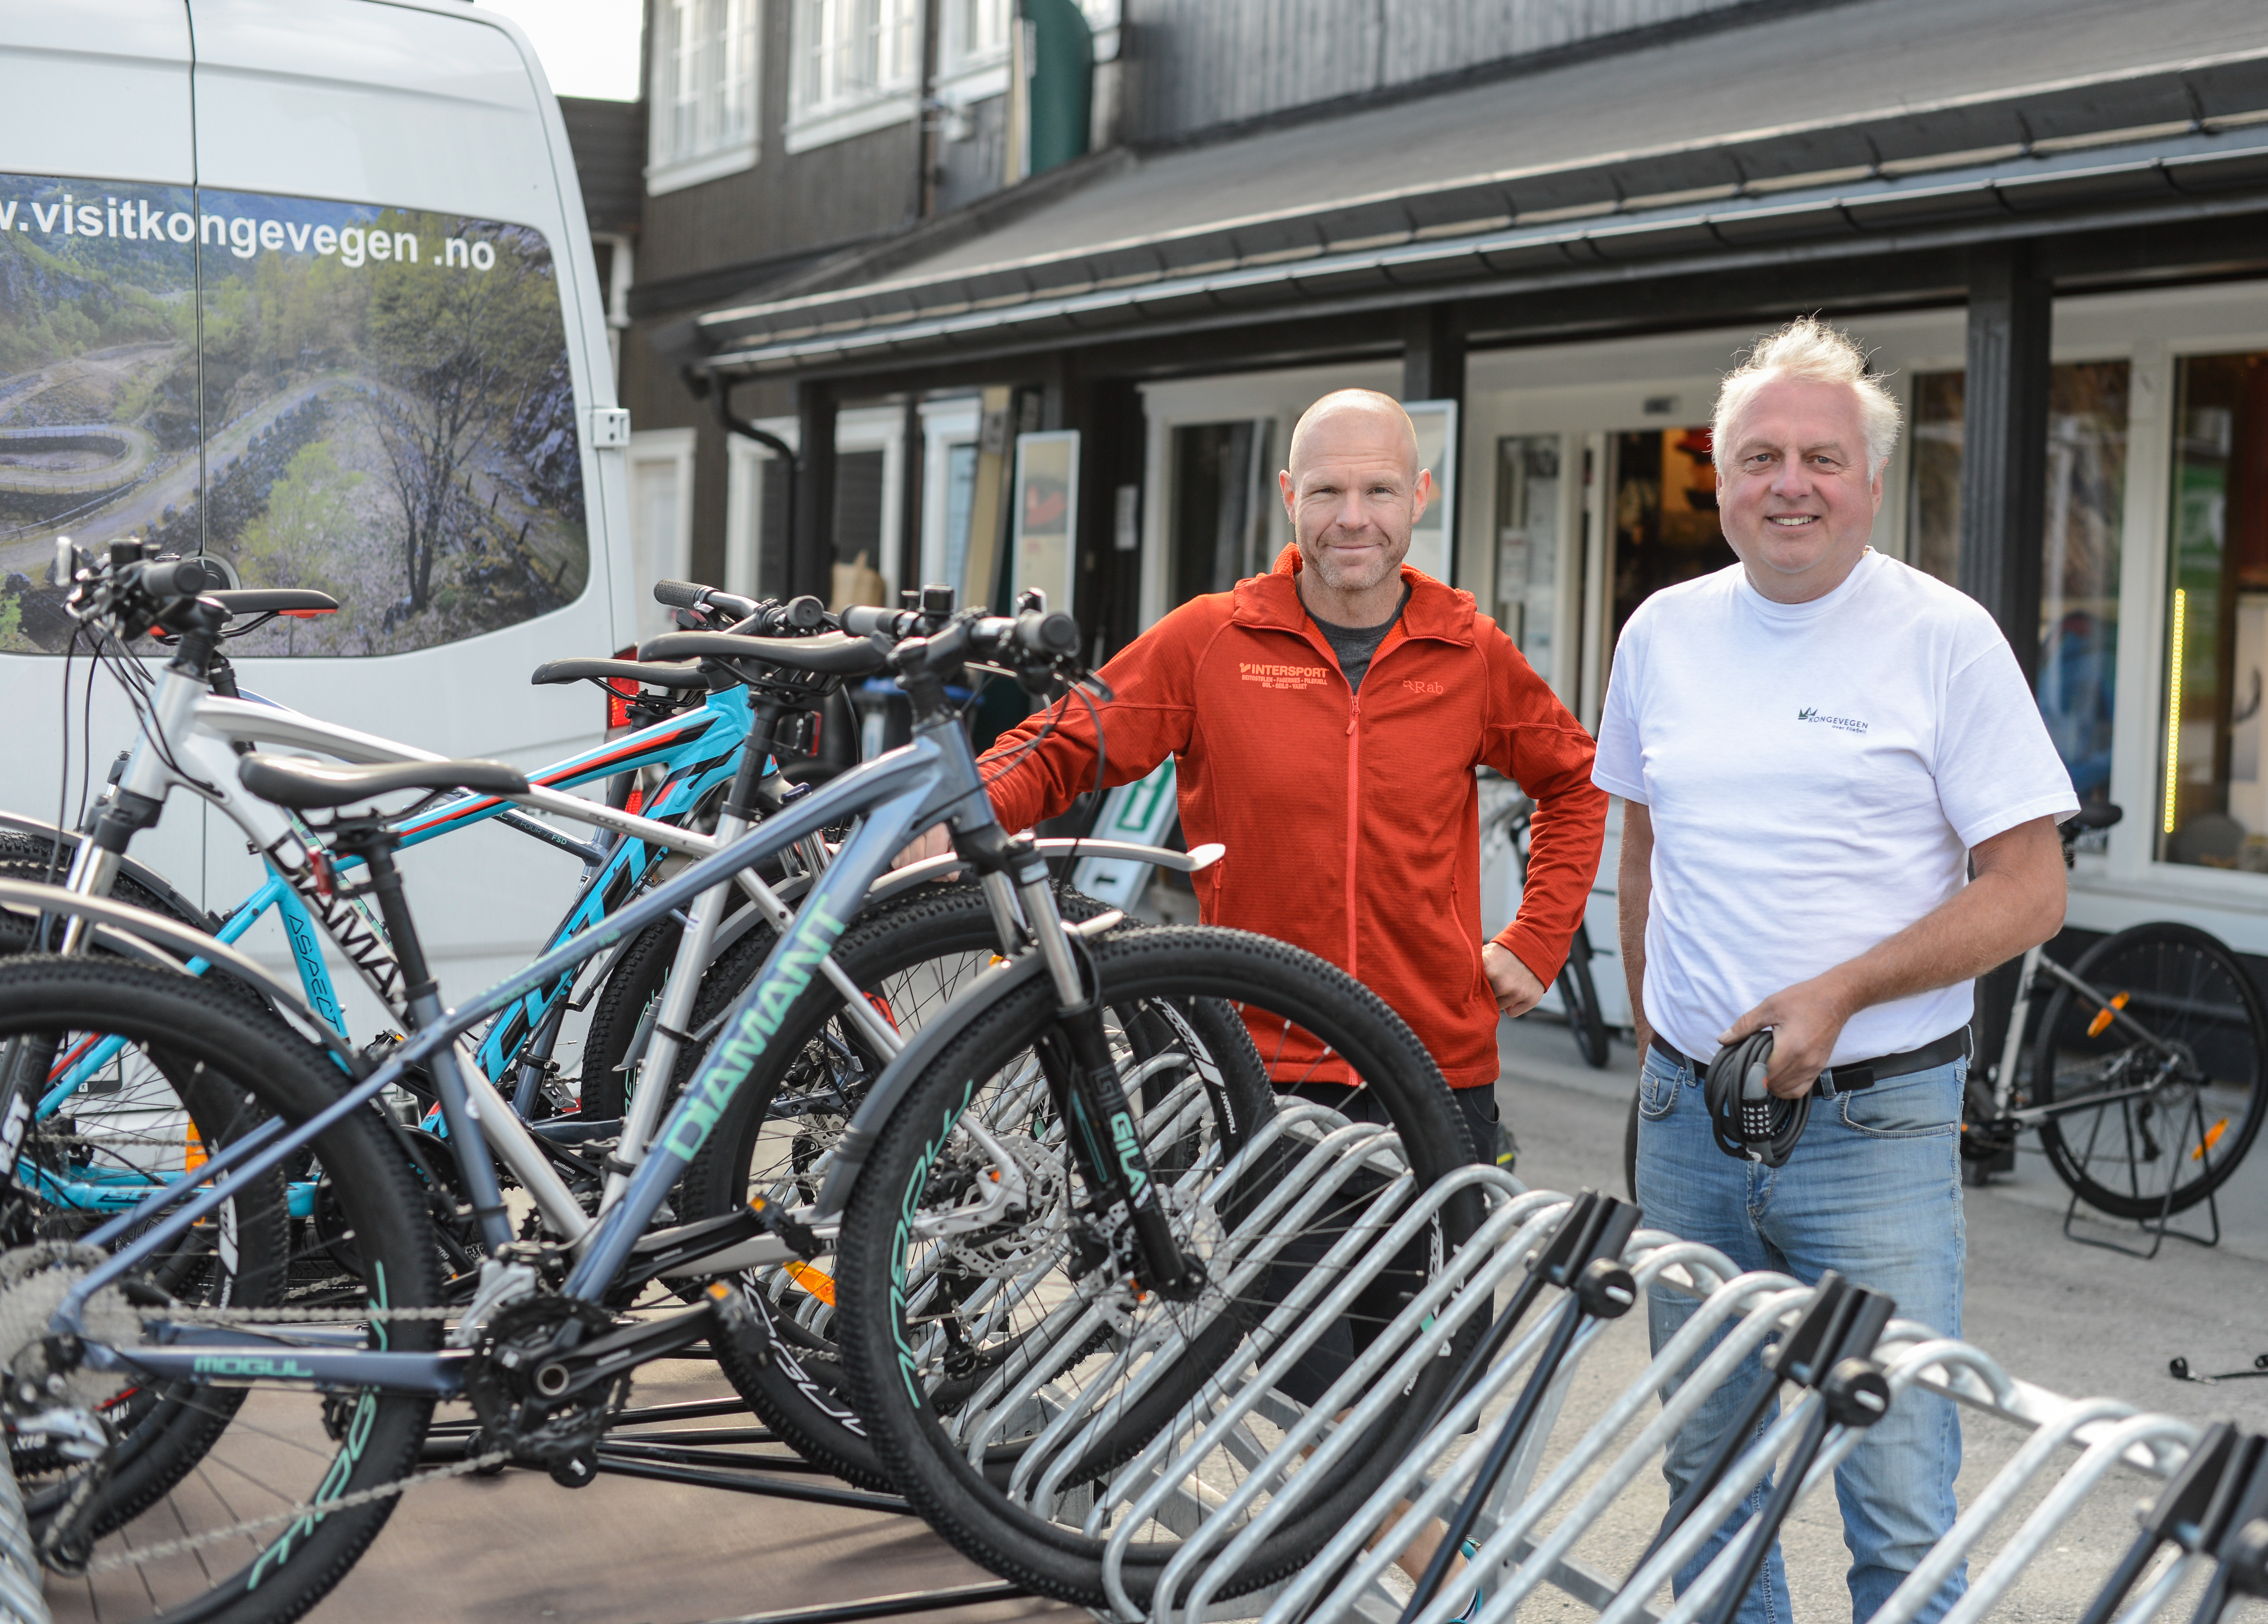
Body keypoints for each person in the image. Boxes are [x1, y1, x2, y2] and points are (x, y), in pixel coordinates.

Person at [1595, 317, 2075, 1623]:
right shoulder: (1662, 633)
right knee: (1710, 1471)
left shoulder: (1944, 637)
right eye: (1759, 457)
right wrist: (1656, 1040)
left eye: (1820, 456)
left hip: (1877, 1122)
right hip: (1689, 1117)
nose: (1789, 481)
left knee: (1898, 1476)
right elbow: (1645, 848)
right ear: (1719, 473)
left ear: (1872, 479)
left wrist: (1839, 992)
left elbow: (2033, 888)